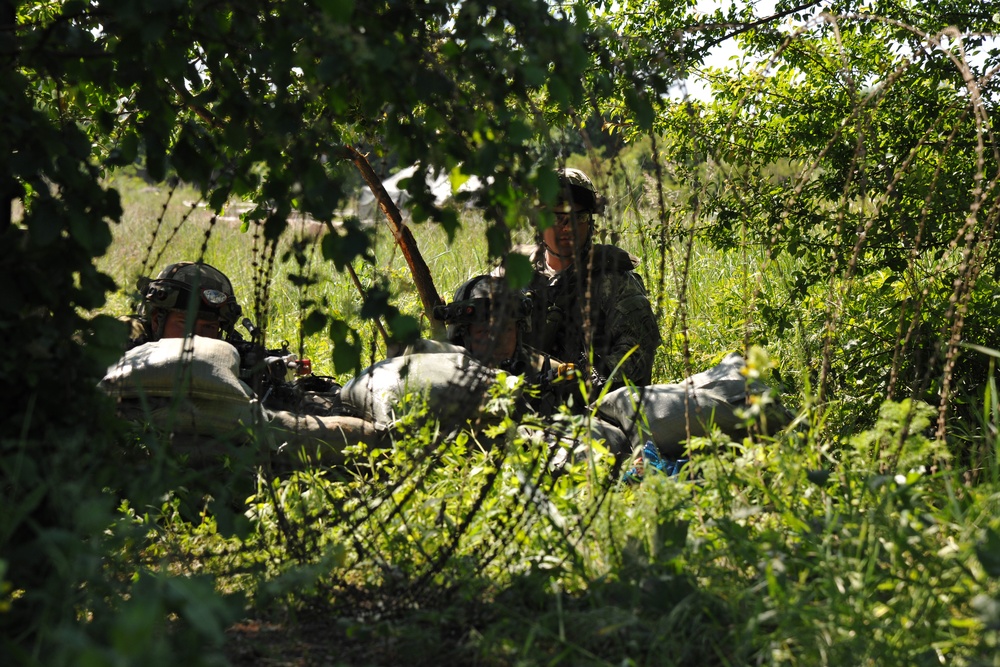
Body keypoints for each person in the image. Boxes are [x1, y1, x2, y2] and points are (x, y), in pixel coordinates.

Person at [501, 168, 662, 396]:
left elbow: (637, 353)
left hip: (590, 409)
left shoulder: (613, 279)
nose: (567, 228)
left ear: (591, 223)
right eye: (556, 218)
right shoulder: (515, 273)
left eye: (579, 218)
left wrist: (582, 382)